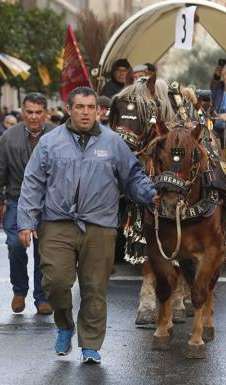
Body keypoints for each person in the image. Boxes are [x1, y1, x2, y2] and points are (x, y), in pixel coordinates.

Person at [17, 87, 156, 364]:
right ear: (69, 109)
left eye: (90, 107)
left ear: (98, 111)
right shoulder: (50, 142)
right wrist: (26, 222)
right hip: (57, 223)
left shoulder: (113, 142)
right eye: (79, 107)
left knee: (94, 288)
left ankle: (90, 344)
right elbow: (33, 182)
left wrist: (151, 194)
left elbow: (132, 176)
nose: (85, 112)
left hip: (99, 225)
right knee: (55, 283)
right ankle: (65, 325)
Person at [0, 93, 53, 316]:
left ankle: (42, 297)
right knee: (15, 244)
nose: (33, 116)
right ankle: (19, 290)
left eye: (38, 112)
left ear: (46, 112)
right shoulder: (9, 136)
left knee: (44, 251)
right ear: (22, 112)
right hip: (17, 200)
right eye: (29, 112)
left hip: (48, 203)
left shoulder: (58, 136)